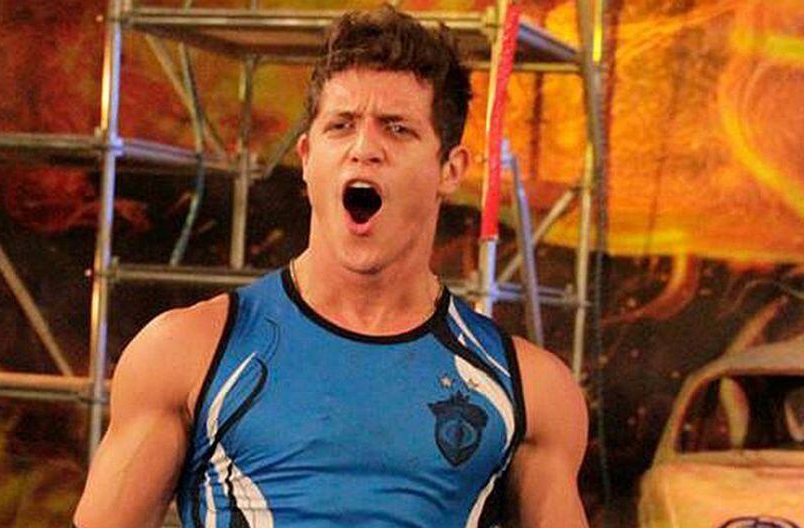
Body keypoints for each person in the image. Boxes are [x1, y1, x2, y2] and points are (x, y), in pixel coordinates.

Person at [74, 5, 588, 527]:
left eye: (397, 129)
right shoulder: (185, 351)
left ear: (450, 170)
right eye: (341, 126)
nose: (364, 149)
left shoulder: (529, 389)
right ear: (306, 157)